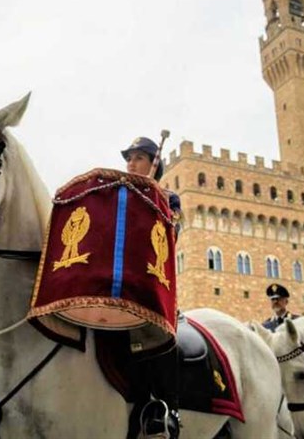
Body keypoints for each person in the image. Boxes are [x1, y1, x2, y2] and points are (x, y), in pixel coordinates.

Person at [122, 136, 182, 439]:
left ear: (153, 165)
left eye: (138, 158)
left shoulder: (167, 197)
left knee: (153, 329)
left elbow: (171, 234)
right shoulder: (118, 195)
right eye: (128, 158)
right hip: (117, 283)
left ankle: (164, 409)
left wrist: (152, 198)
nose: (131, 163)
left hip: (150, 282)